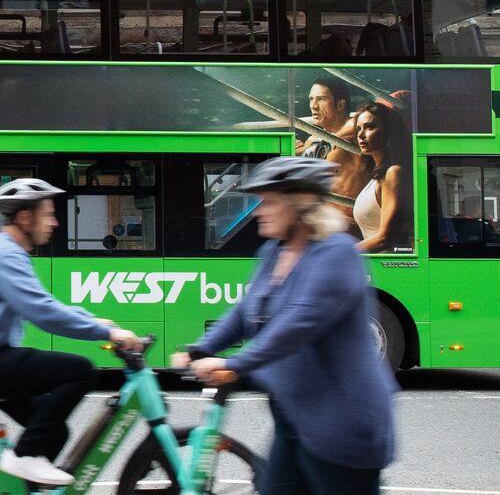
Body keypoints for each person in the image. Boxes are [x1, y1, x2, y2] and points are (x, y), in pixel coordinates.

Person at [175, 156, 397, 494]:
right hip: (295, 416)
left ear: (299, 204)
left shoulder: (338, 254)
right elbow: (244, 312)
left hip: (343, 421)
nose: (258, 211)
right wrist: (199, 350)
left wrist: (234, 365)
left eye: (269, 202)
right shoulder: (273, 253)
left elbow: (298, 324)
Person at [0, 178, 141, 485]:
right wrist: (106, 334)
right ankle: (25, 456)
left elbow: (44, 302)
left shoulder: (1, 249)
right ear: (25, 218)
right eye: (48, 215)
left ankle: (21, 483)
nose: (55, 222)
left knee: (55, 432)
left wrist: (93, 320)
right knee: (79, 371)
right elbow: (43, 313)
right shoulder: (3, 254)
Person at [351, 101, 414, 253]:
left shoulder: (394, 173)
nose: (360, 135)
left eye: (369, 127)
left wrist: (340, 254)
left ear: (388, 131)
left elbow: (385, 238)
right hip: (375, 264)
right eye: (358, 129)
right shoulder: (378, 176)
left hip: (388, 264)